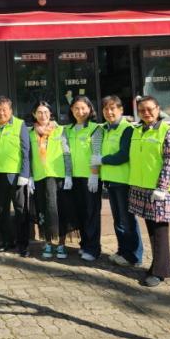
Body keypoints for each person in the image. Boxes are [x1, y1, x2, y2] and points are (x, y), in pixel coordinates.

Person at [129, 95, 170, 287]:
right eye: (142, 110)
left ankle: (159, 272)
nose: (146, 113)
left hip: (160, 190)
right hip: (142, 188)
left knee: (159, 231)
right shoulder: (138, 130)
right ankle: (166, 266)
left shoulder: (167, 131)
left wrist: (162, 187)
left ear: (158, 109)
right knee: (152, 229)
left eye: (150, 109)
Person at [99, 95, 143, 267]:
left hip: (123, 181)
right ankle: (123, 251)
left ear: (121, 110)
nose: (109, 112)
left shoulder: (127, 129)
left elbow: (123, 155)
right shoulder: (106, 129)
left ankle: (134, 256)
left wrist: (102, 160)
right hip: (110, 180)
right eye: (106, 109)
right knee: (118, 220)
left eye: (112, 108)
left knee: (127, 220)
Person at [0, 95, 31, 257]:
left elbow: (26, 151)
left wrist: (25, 174)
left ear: (11, 110)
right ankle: (7, 241)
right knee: (2, 210)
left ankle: (23, 244)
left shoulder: (20, 124)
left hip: (16, 175)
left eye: (5, 109)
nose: (2, 113)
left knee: (21, 210)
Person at [30, 101, 73, 259]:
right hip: (40, 177)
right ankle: (47, 242)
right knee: (44, 210)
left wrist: (68, 174)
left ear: (50, 114)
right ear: (34, 114)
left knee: (60, 210)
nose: (43, 115)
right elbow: (29, 155)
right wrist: (30, 176)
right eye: (39, 112)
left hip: (58, 177)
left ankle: (61, 244)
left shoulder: (60, 130)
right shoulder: (30, 132)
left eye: (46, 112)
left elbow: (67, 153)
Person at [65, 95, 103, 262]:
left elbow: (96, 153)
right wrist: (68, 175)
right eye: (76, 108)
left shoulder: (96, 129)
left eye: (83, 108)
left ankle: (93, 248)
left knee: (91, 213)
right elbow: (66, 155)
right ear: (71, 110)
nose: (80, 112)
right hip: (75, 178)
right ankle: (84, 244)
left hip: (90, 178)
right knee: (80, 212)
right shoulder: (68, 130)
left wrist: (94, 175)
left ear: (89, 109)